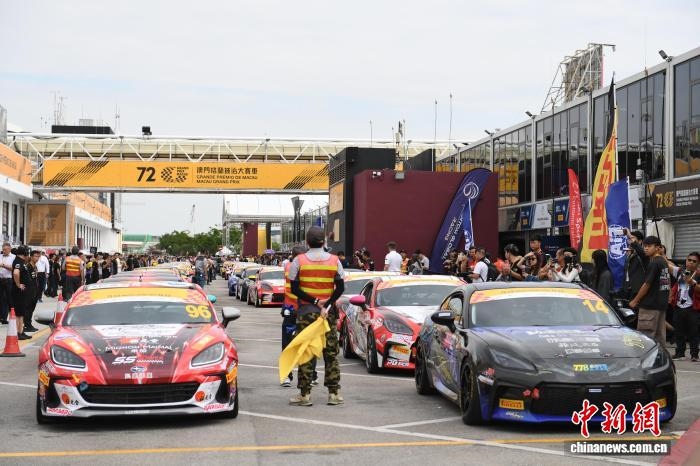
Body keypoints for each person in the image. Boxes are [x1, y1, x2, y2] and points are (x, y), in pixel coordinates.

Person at [288, 226, 345, 406]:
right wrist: (326, 304)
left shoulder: (298, 261)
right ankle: (334, 394)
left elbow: (295, 289)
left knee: (306, 352)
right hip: (328, 314)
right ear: (324, 242)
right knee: (331, 353)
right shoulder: (335, 260)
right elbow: (341, 288)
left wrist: (315, 301)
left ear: (307, 242)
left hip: (306, 312)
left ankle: (305, 395)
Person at [629, 236, 671, 347]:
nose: (646, 248)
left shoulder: (654, 263)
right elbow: (666, 283)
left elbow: (646, 284)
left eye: (649, 246)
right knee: (659, 338)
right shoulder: (663, 261)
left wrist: (635, 300)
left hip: (650, 306)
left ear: (657, 248)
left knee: (646, 339)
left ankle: (649, 358)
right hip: (661, 305)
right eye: (645, 246)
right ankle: (660, 357)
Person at [667, 252, 700, 361]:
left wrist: (692, 283)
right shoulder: (680, 271)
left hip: (692, 308)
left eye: (694, 261)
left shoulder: (698, 274)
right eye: (689, 260)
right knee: (679, 332)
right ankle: (680, 353)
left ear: (698, 264)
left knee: (694, 332)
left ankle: (694, 355)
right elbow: (667, 265)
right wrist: (661, 254)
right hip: (678, 306)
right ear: (686, 260)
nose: (691, 262)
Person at [281, 246, 306, 387]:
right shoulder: (293, 267)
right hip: (299, 310)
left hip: (293, 310)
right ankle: (289, 375)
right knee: (301, 343)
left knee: (290, 344)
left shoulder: (289, 266)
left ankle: (288, 376)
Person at [11, 246, 31, 340]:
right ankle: (19, 333)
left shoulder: (21, 261)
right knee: (19, 313)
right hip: (19, 292)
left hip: (22, 292)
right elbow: (16, 273)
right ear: (25, 253)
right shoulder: (18, 262)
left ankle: (21, 331)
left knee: (21, 313)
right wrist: (18, 285)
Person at [623, 230, 647, 302]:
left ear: (640, 241)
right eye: (629, 239)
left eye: (632, 238)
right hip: (628, 290)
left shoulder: (643, 254)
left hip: (638, 291)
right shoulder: (629, 254)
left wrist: (629, 235)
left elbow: (641, 252)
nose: (630, 241)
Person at [24, 249, 41, 333]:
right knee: (28, 308)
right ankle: (27, 325)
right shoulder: (28, 267)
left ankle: (29, 324)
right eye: (35, 256)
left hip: (35, 290)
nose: (37, 258)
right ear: (31, 257)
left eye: (38, 256)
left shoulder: (35, 266)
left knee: (32, 308)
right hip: (29, 291)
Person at [0, 242, 16, 324]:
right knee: (1, 299)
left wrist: (3, 265)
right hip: (1, 279)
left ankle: (11, 317)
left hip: (9, 280)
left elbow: (13, 269)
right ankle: (2, 317)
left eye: (5, 249)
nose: (4, 251)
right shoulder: (0, 256)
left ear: (10, 249)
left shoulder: (14, 257)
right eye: (3, 249)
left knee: (9, 299)